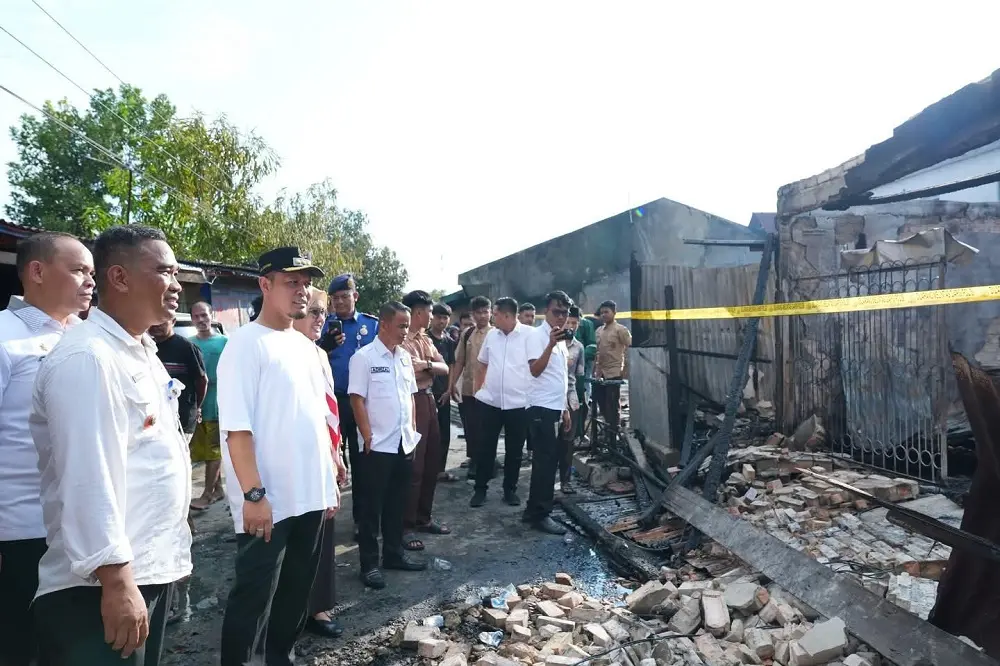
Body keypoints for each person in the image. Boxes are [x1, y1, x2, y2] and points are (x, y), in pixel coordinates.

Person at [29, 225, 192, 666]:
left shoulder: (139, 351)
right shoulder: (88, 357)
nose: (177, 285)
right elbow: (88, 475)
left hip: (143, 572)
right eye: (164, 271)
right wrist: (117, 583)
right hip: (97, 589)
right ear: (119, 278)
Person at [217, 247, 339, 666]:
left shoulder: (304, 347)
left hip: (310, 493)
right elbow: (237, 431)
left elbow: (317, 418)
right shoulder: (245, 345)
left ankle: (280, 657)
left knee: (296, 590)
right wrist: (254, 495)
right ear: (265, 285)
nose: (301, 291)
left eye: (306, 283)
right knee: (254, 596)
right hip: (268, 501)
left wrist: (331, 475)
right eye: (292, 282)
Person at [0, 232, 93, 666]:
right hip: (22, 530)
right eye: (78, 270)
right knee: (23, 644)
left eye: (92, 272)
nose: (90, 281)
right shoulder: (5, 336)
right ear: (37, 272)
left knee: (73, 645)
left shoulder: (88, 337)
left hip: (81, 528)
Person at [348, 301, 427, 589]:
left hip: (403, 443)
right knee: (371, 508)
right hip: (377, 446)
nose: (406, 331)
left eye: (407, 325)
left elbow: (410, 397)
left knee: (397, 504)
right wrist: (367, 435)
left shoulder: (404, 357)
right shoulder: (364, 357)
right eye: (402, 325)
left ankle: (393, 554)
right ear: (384, 324)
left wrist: (413, 432)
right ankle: (369, 564)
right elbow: (356, 398)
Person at [292, 287, 348, 639]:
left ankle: (320, 607)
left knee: (323, 532)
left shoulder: (319, 355)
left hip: (320, 458)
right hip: (288, 462)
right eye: (313, 311)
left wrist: (336, 454)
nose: (320, 319)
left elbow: (330, 411)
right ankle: (291, 610)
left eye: (323, 313)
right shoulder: (274, 351)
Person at [319, 274, 379, 537]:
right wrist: (324, 345)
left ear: (355, 296)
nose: (341, 302)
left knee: (362, 461)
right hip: (329, 403)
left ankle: (360, 520)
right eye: (336, 298)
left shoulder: (371, 326)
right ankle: (323, 518)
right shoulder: (321, 325)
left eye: (345, 296)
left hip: (360, 403)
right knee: (327, 460)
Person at [400, 291, 450, 551]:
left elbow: (445, 368)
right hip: (412, 400)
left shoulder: (425, 339)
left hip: (429, 398)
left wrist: (425, 365)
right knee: (414, 465)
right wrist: (428, 366)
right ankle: (406, 525)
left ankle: (423, 517)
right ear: (418, 312)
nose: (432, 317)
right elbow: (407, 369)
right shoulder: (401, 339)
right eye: (429, 312)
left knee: (432, 461)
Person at [470, 297, 531, 508]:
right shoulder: (491, 336)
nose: (491, 317)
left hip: (519, 404)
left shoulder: (529, 336)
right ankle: (480, 489)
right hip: (491, 403)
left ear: (506, 315)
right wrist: (480, 391)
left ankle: (509, 490)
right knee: (485, 448)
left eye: (494, 314)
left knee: (514, 451)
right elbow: (482, 364)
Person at [522, 291, 574, 535]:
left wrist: (564, 409)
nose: (561, 317)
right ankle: (540, 514)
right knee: (545, 462)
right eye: (557, 312)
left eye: (565, 313)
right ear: (546, 311)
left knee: (548, 460)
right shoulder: (537, 336)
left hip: (554, 407)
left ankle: (533, 510)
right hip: (540, 407)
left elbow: (560, 378)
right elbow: (535, 370)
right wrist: (550, 344)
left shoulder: (561, 340)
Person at [189, 301, 228, 511]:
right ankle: (218, 489)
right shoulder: (189, 344)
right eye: (197, 317)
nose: (201, 320)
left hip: (218, 403)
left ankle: (206, 494)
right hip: (198, 405)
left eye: (204, 315)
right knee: (204, 451)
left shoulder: (224, 342)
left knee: (214, 451)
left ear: (211, 316)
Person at [449, 296, 492, 480]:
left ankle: (488, 462)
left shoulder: (497, 334)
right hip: (469, 389)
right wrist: (452, 384)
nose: (482, 316)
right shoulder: (467, 334)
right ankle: (475, 460)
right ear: (472, 314)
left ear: (490, 312)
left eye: (485, 311)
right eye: (478, 312)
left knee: (489, 428)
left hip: (490, 391)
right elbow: (459, 361)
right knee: (471, 427)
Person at [149, 316, 207, 440]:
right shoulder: (147, 347)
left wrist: (197, 407)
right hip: (156, 419)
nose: (156, 325)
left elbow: (202, 381)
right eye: (153, 320)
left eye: (161, 321)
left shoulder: (187, 348)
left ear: (173, 322)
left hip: (182, 419)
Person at [428, 302, 458, 482]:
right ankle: (426, 469)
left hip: (443, 394)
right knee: (427, 433)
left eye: (445, 317)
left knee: (444, 433)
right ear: (432, 318)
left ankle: (440, 469)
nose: (442, 321)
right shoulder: (425, 339)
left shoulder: (449, 341)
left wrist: (449, 388)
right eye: (439, 317)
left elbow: (452, 365)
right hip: (427, 393)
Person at [594, 300, 633, 432]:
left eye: (607, 312)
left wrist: (625, 369)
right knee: (601, 402)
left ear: (614, 313)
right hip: (601, 372)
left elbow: (630, 349)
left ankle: (614, 434)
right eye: (602, 312)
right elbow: (597, 352)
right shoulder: (599, 331)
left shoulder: (621, 330)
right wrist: (596, 370)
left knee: (612, 403)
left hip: (615, 371)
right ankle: (608, 428)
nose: (604, 315)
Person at [560, 307, 586, 494]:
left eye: (574, 323)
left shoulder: (579, 347)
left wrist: (582, 397)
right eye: (568, 322)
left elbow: (580, 375)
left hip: (571, 396)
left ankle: (565, 481)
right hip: (552, 397)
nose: (570, 326)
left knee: (568, 443)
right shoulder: (552, 343)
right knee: (551, 443)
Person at [573, 306, 598, 442]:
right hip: (565, 368)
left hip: (582, 369)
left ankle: (580, 433)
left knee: (582, 400)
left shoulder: (586, 325)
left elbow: (592, 347)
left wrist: (578, 356)